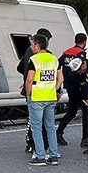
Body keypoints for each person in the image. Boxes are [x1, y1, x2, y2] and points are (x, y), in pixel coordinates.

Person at [25, 33, 63, 165]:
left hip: (37, 98)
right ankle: (53, 156)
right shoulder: (54, 59)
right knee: (51, 127)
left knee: (36, 127)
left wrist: (28, 94)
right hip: (50, 97)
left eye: (32, 44)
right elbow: (61, 78)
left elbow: (29, 79)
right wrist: (54, 88)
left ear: (37, 45)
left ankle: (40, 156)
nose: (31, 47)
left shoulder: (34, 60)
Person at [18, 28, 52, 153]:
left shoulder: (28, 52)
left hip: (31, 89)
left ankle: (31, 144)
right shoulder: (47, 56)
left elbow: (20, 67)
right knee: (43, 123)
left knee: (33, 120)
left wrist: (27, 79)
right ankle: (41, 147)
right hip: (42, 92)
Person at [56, 33, 88, 145]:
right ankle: (86, 138)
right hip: (79, 85)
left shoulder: (66, 52)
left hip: (68, 85)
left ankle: (59, 131)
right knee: (86, 110)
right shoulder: (81, 53)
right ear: (84, 42)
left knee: (72, 110)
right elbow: (83, 68)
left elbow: (57, 64)